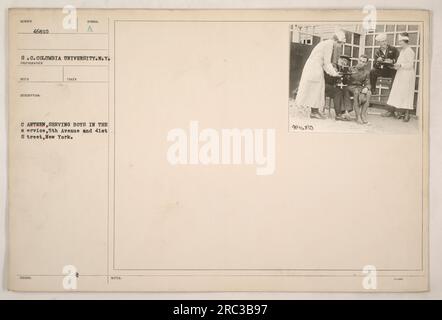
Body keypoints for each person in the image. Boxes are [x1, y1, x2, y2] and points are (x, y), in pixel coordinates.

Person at [295, 30, 345, 119]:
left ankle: (315, 111)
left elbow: (325, 64)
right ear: (337, 41)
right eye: (341, 44)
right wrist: (334, 73)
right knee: (316, 89)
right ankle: (313, 112)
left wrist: (333, 73)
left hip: (315, 67)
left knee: (318, 90)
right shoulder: (329, 44)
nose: (340, 46)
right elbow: (327, 63)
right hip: (314, 68)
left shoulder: (326, 43)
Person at [387, 32, 416, 122]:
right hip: (400, 74)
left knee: (406, 93)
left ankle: (407, 114)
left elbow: (410, 65)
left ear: (405, 41)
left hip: (407, 75)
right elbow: (400, 62)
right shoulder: (402, 51)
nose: (399, 43)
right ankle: (398, 112)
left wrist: (400, 65)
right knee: (399, 92)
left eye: (400, 41)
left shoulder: (409, 51)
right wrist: (394, 65)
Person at [369, 33, 399, 117]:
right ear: (379, 43)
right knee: (372, 71)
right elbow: (375, 65)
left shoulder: (393, 49)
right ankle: (373, 88)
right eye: (382, 42)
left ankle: (392, 88)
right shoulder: (377, 52)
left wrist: (392, 61)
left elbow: (399, 59)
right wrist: (378, 61)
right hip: (383, 70)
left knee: (394, 76)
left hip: (392, 70)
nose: (384, 43)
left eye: (385, 41)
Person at [343, 55, 371, 124]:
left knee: (369, 93)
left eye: (363, 62)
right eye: (360, 60)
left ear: (366, 63)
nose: (361, 62)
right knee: (356, 92)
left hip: (360, 87)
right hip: (350, 87)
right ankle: (358, 116)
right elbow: (344, 82)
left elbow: (368, 83)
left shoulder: (366, 72)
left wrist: (366, 88)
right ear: (358, 60)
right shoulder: (351, 69)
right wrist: (346, 76)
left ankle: (363, 115)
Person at [324, 55, 351, 121]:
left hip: (332, 86)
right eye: (342, 60)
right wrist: (336, 75)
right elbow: (328, 79)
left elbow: (344, 82)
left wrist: (346, 76)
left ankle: (344, 111)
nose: (344, 62)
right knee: (338, 92)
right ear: (339, 59)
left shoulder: (342, 68)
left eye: (346, 61)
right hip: (325, 85)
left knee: (343, 90)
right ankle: (339, 114)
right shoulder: (333, 66)